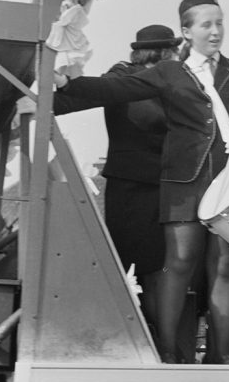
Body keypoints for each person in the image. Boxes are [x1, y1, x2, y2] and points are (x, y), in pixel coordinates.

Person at [53, 0, 229, 363]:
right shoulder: (171, 72)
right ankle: (168, 352)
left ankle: (221, 355)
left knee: (224, 266)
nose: (216, 31)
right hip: (183, 184)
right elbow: (116, 88)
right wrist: (66, 84)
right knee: (179, 264)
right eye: (207, 24)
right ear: (186, 31)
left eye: (220, 23)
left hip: (227, 184)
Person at [53, 25, 187, 352]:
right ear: (163, 52)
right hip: (128, 184)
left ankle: (164, 348)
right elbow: (108, 91)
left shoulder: (171, 84)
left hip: (161, 186)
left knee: (157, 270)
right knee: (121, 262)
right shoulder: (123, 76)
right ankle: (114, 341)